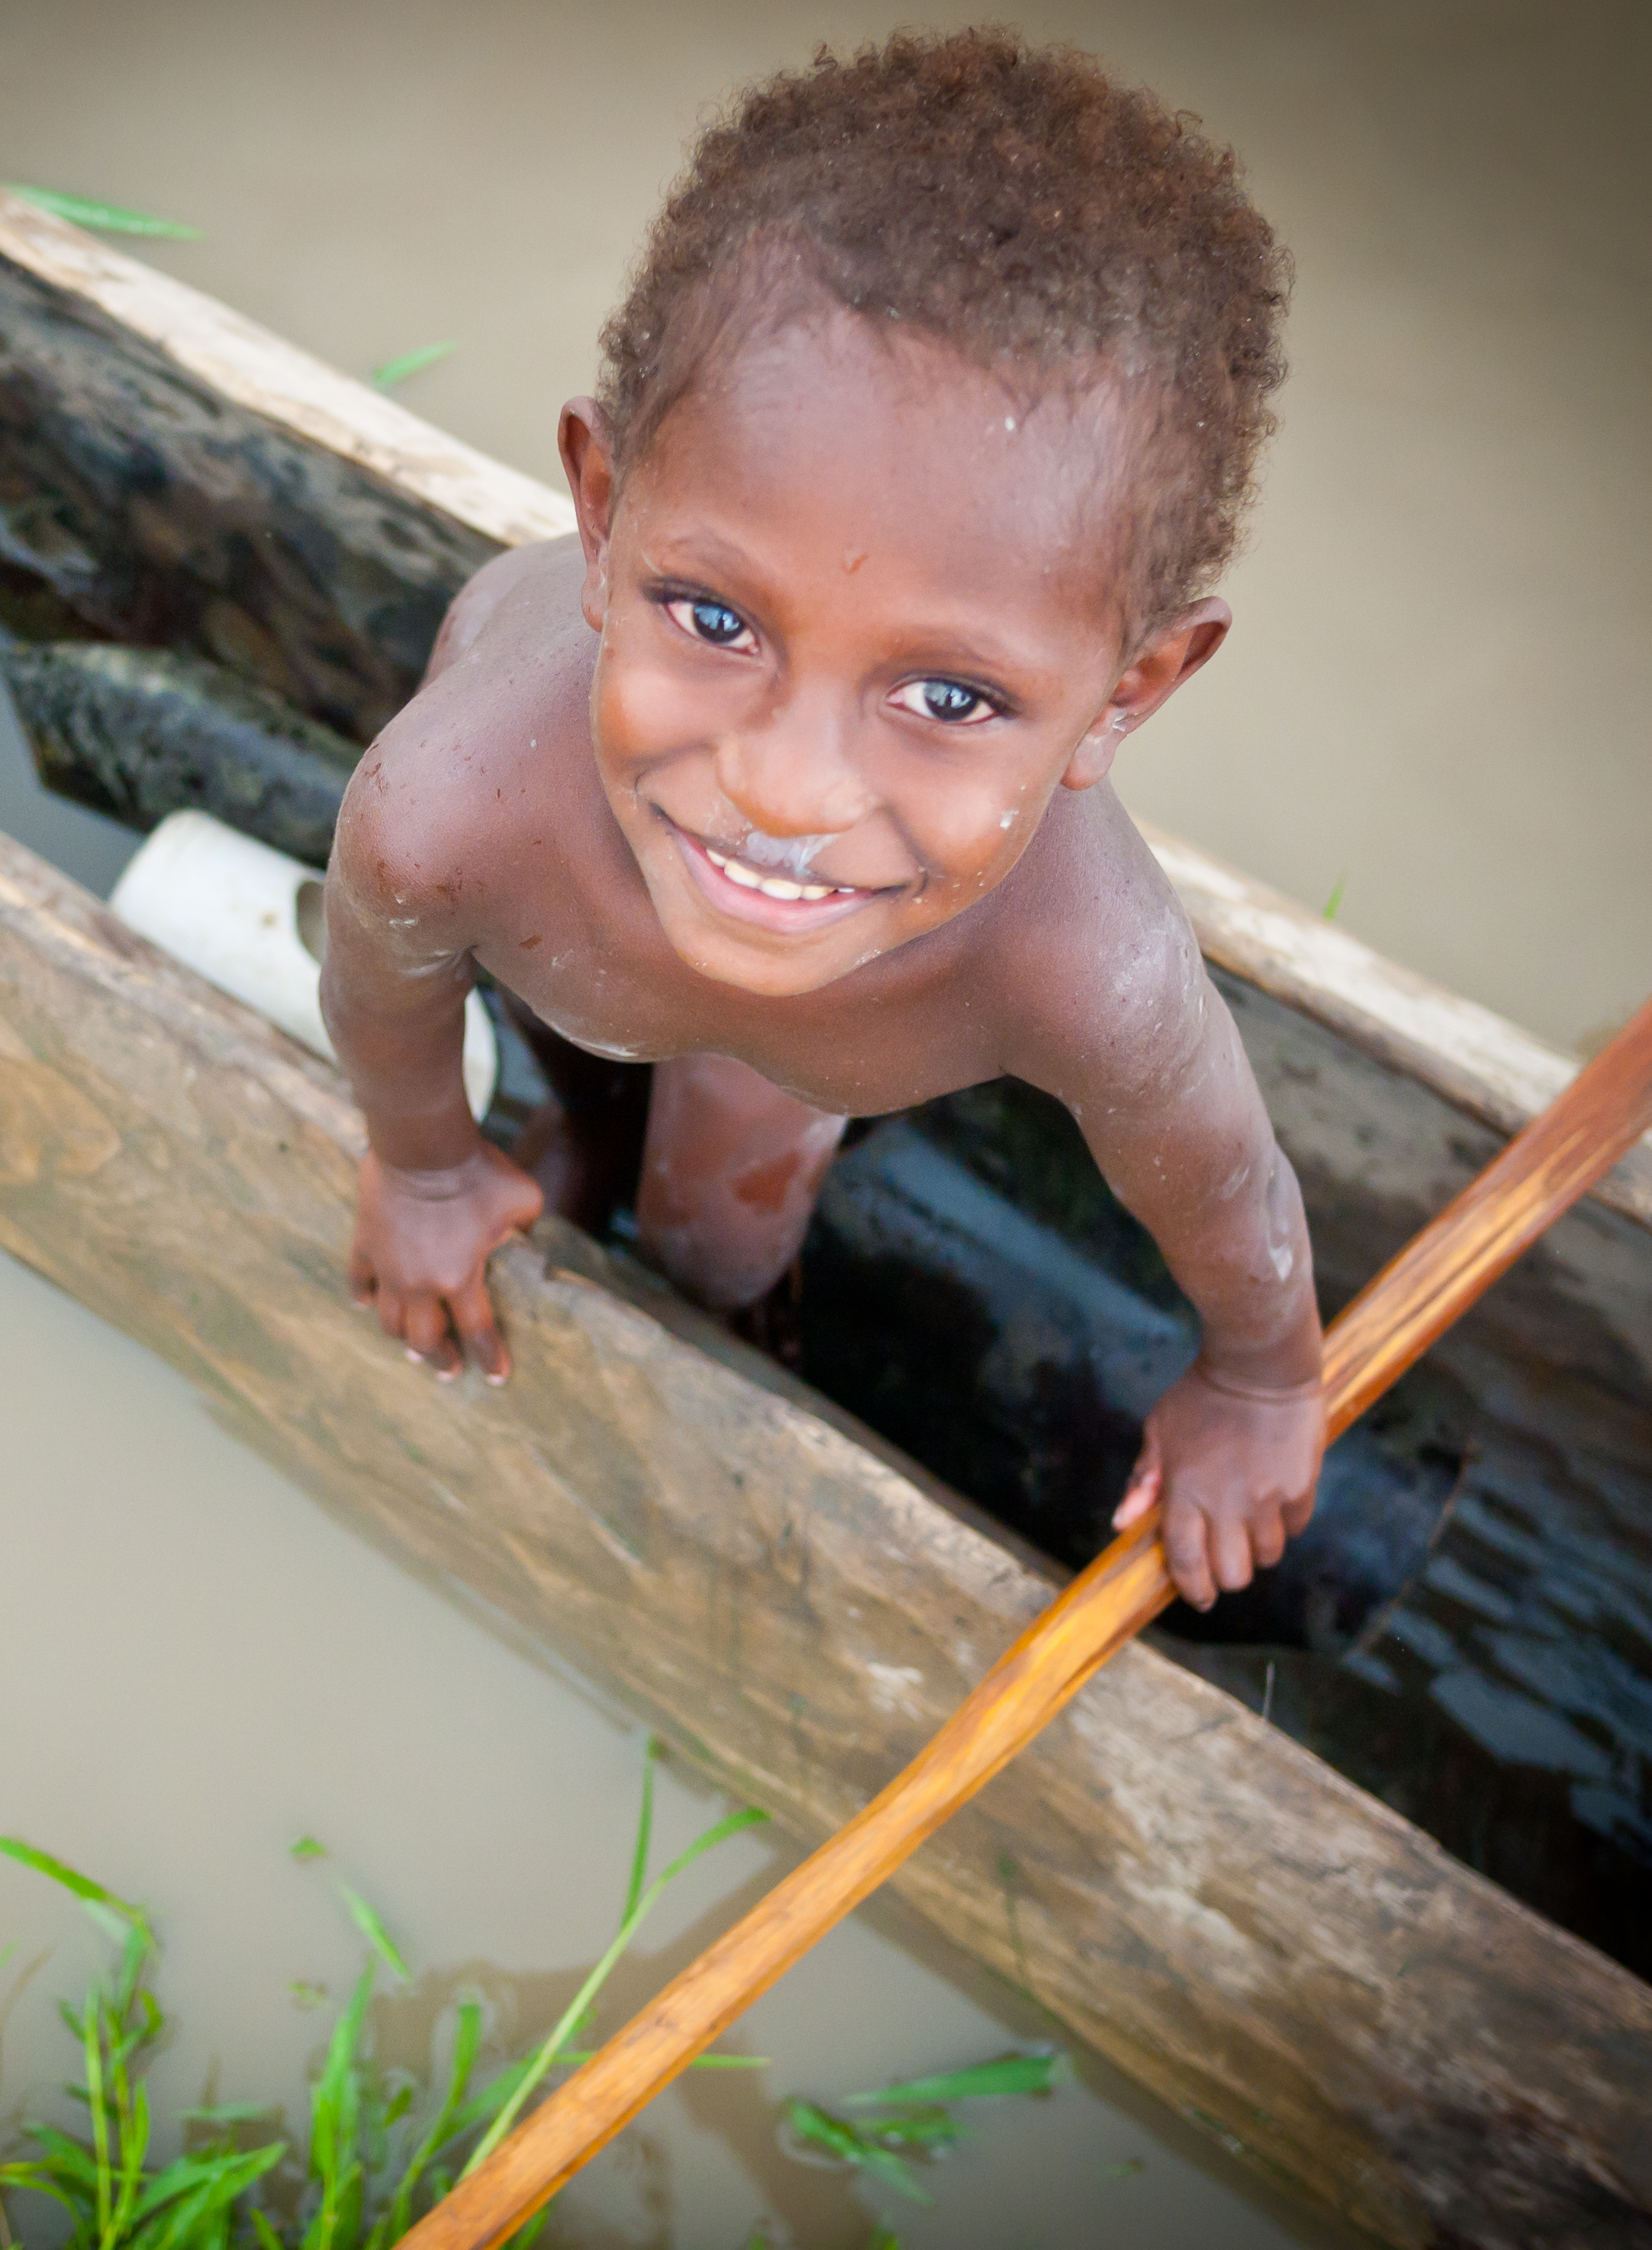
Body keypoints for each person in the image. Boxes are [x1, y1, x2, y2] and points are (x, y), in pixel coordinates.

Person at [317, 30, 1319, 1612]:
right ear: (599, 516)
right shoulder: (444, 816)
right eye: (711, 616)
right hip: (571, 923)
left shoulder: (1084, 972)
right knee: (579, 1096)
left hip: (834, 986)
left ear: (1125, 694)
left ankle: (713, 1311)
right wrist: (421, 1166)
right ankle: (561, 1147)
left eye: (947, 700)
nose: (782, 790)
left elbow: (1224, 1187)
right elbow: (379, 981)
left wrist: (1260, 1381)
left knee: (724, 1236)